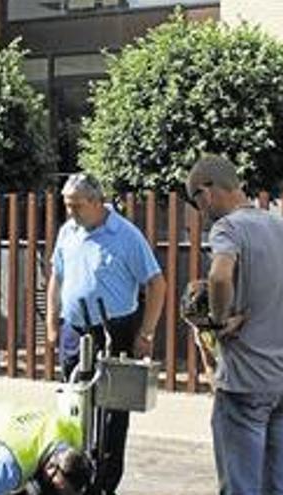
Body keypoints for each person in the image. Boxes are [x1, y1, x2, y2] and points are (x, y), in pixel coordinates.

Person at [185, 155, 283, 495]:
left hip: (245, 384)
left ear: (208, 191)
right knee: (277, 483)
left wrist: (217, 320)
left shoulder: (227, 228)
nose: (200, 211)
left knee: (241, 486)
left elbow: (219, 275)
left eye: (196, 200)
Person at [45, 172, 166, 495]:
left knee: (112, 414)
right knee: (72, 406)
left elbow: (156, 283)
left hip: (116, 329)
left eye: (76, 206)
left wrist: (147, 332)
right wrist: (53, 324)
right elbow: (57, 275)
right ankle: (69, 478)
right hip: (74, 328)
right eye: (67, 206)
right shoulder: (68, 231)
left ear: (97, 202)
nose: (70, 212)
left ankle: (104, 485)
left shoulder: (126, 235)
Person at [0, 403, 94, 495]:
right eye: (61, 491)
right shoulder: (10, 466)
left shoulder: (72, 433)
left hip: (6, 421)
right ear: (50, 468)